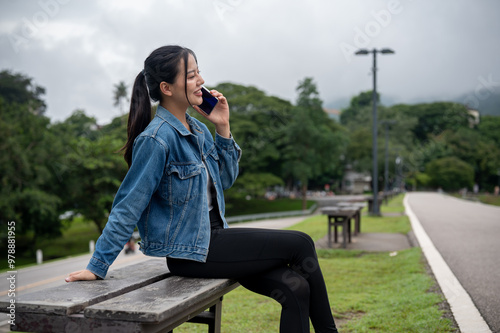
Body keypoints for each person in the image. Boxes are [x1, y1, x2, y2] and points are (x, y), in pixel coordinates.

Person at [65, 45, 338, 333]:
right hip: (191, 253)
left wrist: (223, 127)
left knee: (295, 287)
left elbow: (226, 180)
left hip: (216, 241)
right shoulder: (156, 140)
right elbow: (128, 205)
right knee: (301, 243)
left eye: (199, 72)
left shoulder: (198, 130)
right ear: (167, 88)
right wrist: (98, 265)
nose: (202, 81)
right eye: (192, 75)